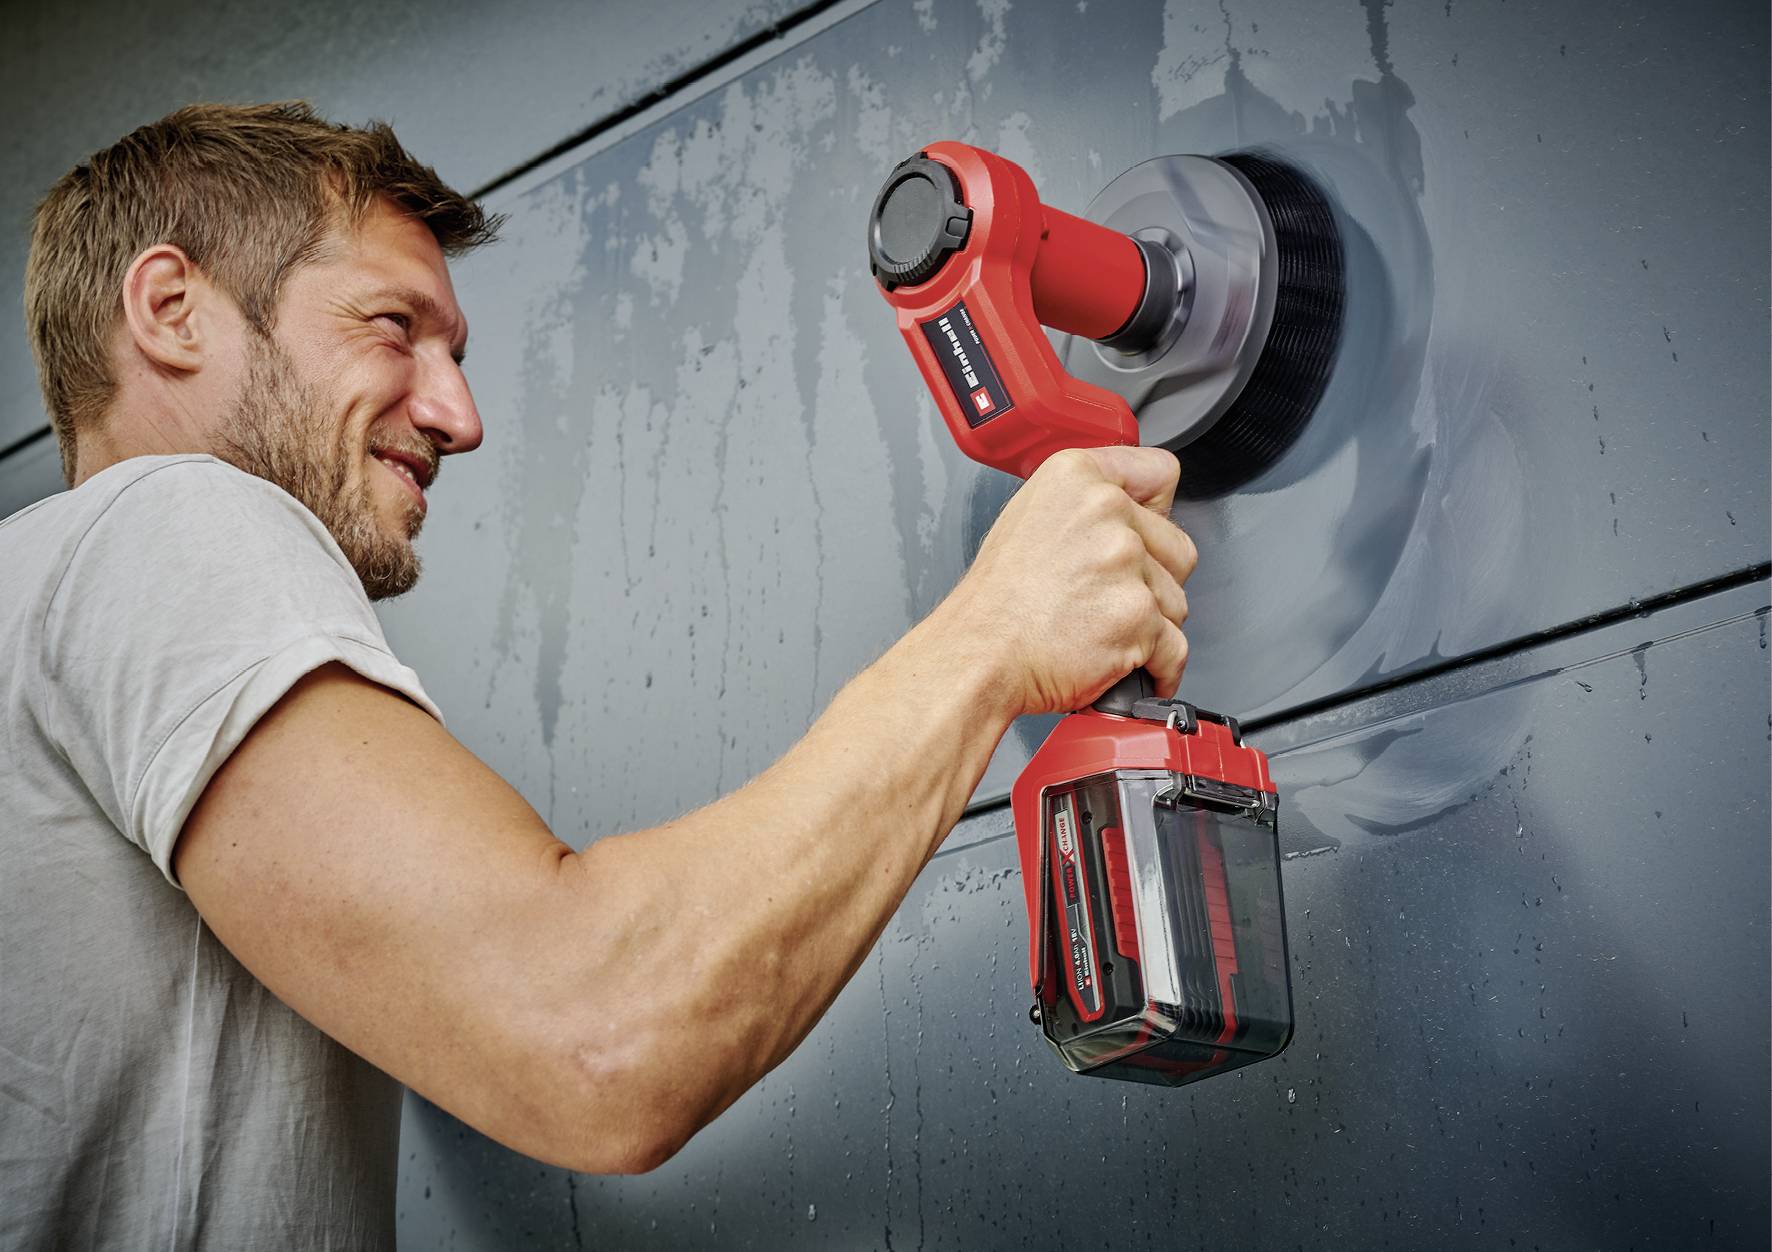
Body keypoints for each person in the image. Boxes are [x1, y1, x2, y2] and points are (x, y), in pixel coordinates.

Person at [0, 102, 1196, 1249]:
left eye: (455, 353)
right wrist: (991, 638)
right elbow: (595, 1037)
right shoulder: (168, 521)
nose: (459, 415)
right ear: (169, 306)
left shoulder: (45, 610)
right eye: (392, 327)